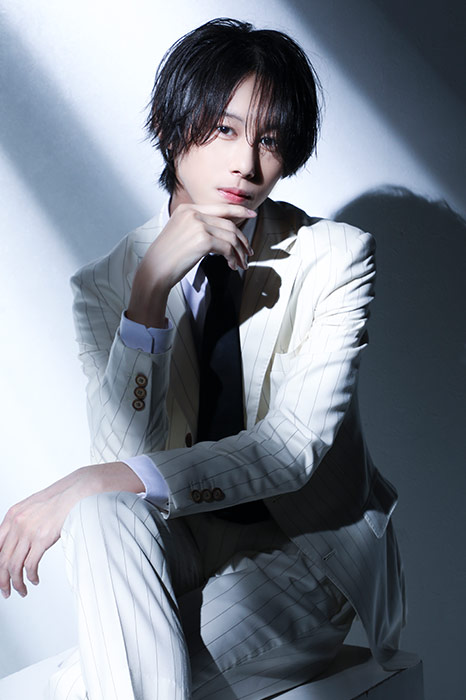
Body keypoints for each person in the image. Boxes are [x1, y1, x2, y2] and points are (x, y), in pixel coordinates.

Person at [0, 18, 408, 700]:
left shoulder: (335, 259)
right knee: (101, 513)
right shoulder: (105, 286)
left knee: (81, 686)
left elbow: (291, 449)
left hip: (301, 560)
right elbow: (121, 454)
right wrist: (148, 296)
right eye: (224, 129)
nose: (247, 163)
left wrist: (90, 479)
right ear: (171, 128)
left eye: (269, 139)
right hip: (178, 552)